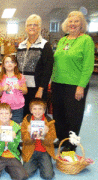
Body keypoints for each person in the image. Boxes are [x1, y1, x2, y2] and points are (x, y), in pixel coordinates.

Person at [51, 11, 95, 151]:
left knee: (73, 116)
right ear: (66, 24)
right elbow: (56, 62)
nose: (73, 24)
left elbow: (88, 66)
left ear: (82, 24)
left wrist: (81, 86)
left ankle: (72, 144)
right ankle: (62, 139)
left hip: (75, 85)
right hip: (58, 83)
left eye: (76, 21)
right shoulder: (63, 40)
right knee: (58, 113)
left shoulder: (86, 40)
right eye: (70, 21)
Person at [17, 14, 54, 116]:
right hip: (22, 88)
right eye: (29, 25)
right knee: (24, 116)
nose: (32, 27)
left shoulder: (45, 45)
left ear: (39, 28)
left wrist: (41, 89)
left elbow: (48, 69)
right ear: (25, 28)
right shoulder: (21, 45)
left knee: (37, 117)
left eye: (35, 25)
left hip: (37, 89)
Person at [0, 103, 27, 180]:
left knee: (22, 176)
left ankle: (8, 167)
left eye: (6, 113)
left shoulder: (16, 127)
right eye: (1, 113)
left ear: (10, 115)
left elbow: (15, 146)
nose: (4, 115)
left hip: (11, 154)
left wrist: (13, 139)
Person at [21, 98, 56, 179]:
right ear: (31, 110)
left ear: (44, 111)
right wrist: (29, 133)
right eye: (34, 109)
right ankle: (36, 163)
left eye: (40, 109)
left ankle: (42, 162)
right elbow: (24, 139)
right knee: (26, 174)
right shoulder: (27, 120)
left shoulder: (49, 121)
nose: (37, 111)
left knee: (48, 176)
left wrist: (45, 135)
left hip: (44, 151)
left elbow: (52, 139)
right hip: (30, 151)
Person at [0, 55, 27, 124]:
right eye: (7, 62)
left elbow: (25, 91)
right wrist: (3, 89)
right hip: (5, 108)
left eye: (12, 62)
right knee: (5, 127)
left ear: (15, 64)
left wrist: (19, 87)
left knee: (16, 128)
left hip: (18, 107)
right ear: (3, 65)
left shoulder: (20, 76)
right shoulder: (1, 77)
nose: (9, 64)